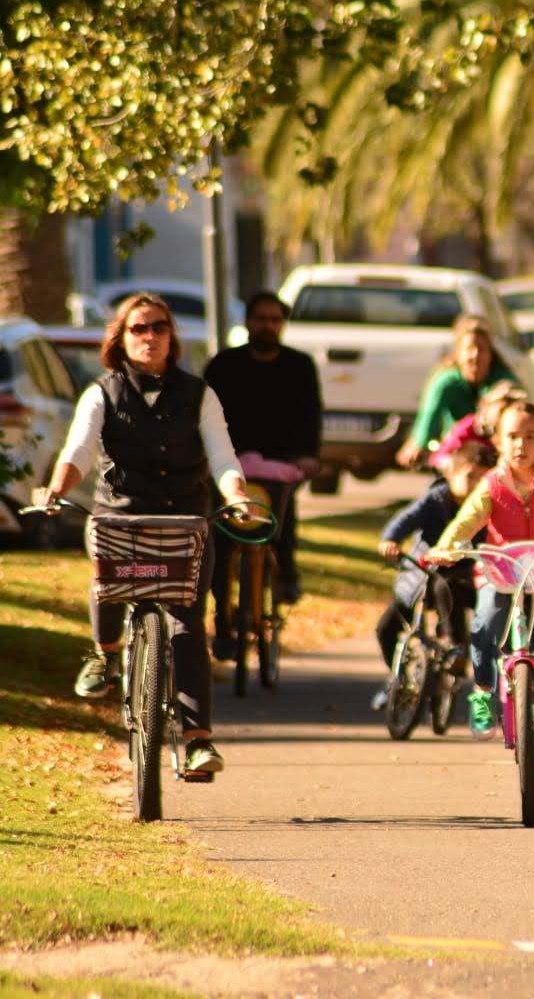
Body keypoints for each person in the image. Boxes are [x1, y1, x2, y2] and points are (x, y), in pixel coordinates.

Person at [34, 293, 253, 775]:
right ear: (120, 338)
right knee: (106, 570)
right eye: (139, 329)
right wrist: (56, 487)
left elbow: (222, 457)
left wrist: (236, 496)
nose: (150, 336)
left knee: (188, 624)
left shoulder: (200, 394)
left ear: (172, 337)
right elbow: (80, 450)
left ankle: (198, 741)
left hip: (185, 521)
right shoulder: (103, 392)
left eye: (159, 327)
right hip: (123, 518)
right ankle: (105, 655)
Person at [430, 401, 534, 757]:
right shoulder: (491, 485)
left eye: (530, 436)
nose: (521, 444)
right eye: (513, 436)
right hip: (500, 572)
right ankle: (482, 691)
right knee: (486, 622)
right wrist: (447, 546)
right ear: (498, 443)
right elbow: (467, 520)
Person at [203, 291, 322, 638]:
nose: (267, 326)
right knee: (221, 543)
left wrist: (308, 456)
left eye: (275, 320)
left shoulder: (300, 365)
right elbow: (204, 413)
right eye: (261, 319)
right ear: (248, 323)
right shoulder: (223, 365)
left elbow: (310, 415)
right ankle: (223, 622)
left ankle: (286, 576)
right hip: (229, 463)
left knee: (281, 521)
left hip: (282, 463)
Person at [372, 447, 486, 710]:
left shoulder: (483, 507)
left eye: (481, 479)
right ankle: (399, 678)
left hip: (461, 576)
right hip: (421, 574)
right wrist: (390, 540)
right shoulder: (435, 499)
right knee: (386, 628)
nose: (474, 485)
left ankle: (457, 651)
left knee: (449, 592)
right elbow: (405, 519)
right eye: (469, 477)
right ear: (450, 473)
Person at [396, 315, 518, 469]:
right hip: (455, 453)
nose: (475, 356)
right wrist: (418, 444)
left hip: (494, 457)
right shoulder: (446, 382)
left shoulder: (503, 381)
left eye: (481, 349)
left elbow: (520, 416)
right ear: (458, 353)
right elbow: (429, 416)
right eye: (469, 349)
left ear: (490, 354)